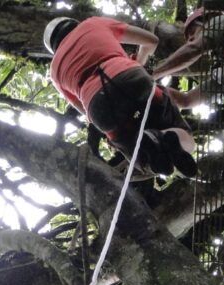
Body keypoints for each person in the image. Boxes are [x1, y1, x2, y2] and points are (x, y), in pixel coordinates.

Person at [44, 17, 201, 177]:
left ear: (54, 47)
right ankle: (166, 136)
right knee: (184, 134)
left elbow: (84, 111)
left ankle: (154, 149)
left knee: (143, 160)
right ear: (72, 23)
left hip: (98, 106)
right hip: (132, 78)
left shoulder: (55, 71)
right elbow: (151, 40)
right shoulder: (92, 24)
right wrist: (139, 62)